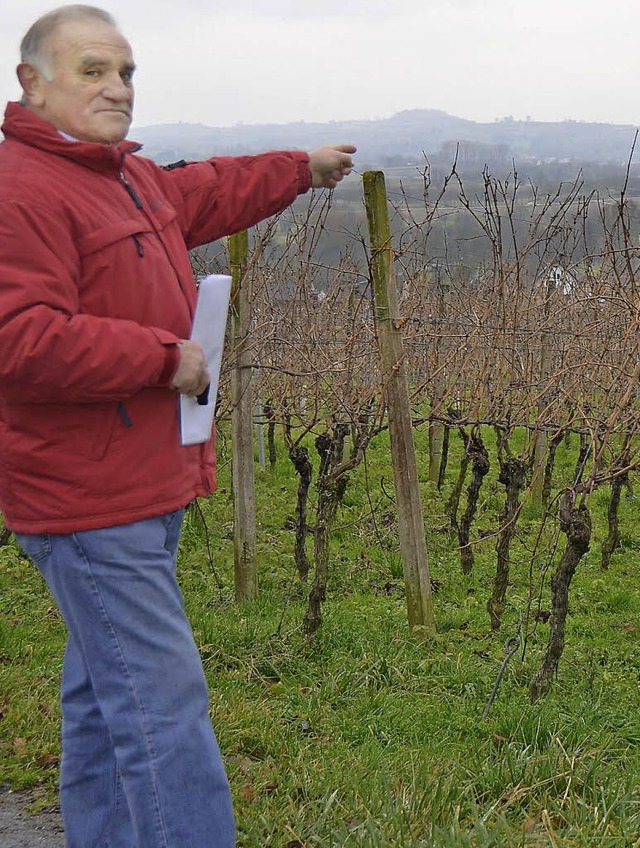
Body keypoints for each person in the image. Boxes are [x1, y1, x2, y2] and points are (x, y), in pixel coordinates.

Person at [0, 5, 356, 846]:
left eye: (125, 73)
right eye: (92, 71)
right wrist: (164, 357)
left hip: (138, 484)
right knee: (164, 712)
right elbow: (18, 339)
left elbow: (203, 191)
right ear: (33, 83)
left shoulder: (115, 174)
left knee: (102, 699)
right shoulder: (23, 192)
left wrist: (298, 168)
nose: (117, 89)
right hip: (89, 499)